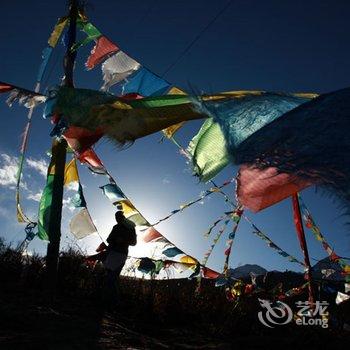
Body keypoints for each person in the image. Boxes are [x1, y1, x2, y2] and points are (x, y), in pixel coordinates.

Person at [103, 210, 137, 308]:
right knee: (109, 277)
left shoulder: (130, 227)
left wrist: (123, 240)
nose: (117, 219)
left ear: (123, 217)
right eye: (116, 218)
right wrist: (113, 240)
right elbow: (109, 239)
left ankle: (114, 303)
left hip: (121, 254)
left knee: (112, 278)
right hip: (111, 253)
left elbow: (134, 242)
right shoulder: (116, 227)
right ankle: (108, 302)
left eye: (119, 217)